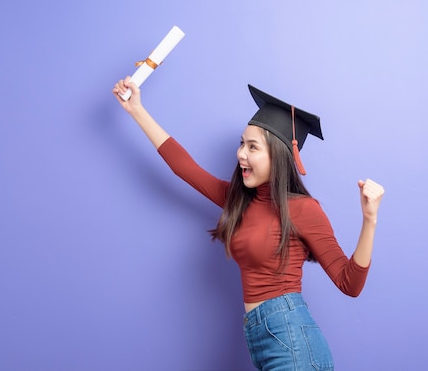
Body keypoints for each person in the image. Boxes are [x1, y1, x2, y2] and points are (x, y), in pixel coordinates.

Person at [112, 77, 385, 370]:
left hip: (292, 340)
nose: (241, 153)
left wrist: (369, 220)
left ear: (277, 157)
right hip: (261, 337)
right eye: (242, 143)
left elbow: (350, 283)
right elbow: (184, 168)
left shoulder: (304, 210)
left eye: (253, 147)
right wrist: (137, 110)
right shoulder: (240, 199)